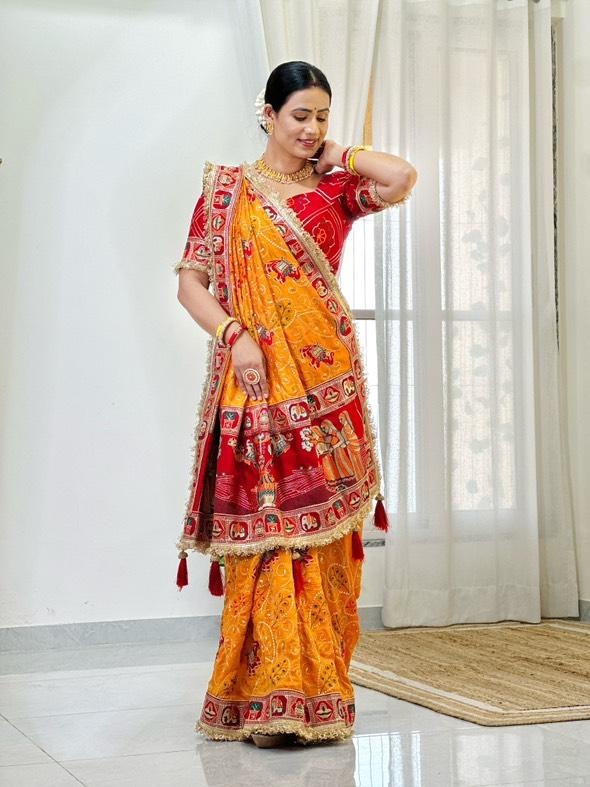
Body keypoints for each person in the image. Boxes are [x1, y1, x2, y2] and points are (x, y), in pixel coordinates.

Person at [173, 61, 417, 747]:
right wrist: (236, 336)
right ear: (268, 114)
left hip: (324, 387)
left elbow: (400, 177)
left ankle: (319, 698)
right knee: (266, 535)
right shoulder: (226, 193)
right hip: (254, 386)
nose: (310, 128)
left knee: (324, 541)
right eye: (299, 115)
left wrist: (335, 152)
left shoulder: (335, 191)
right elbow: (191, 285)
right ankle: (262, 700)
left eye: (321, 116)